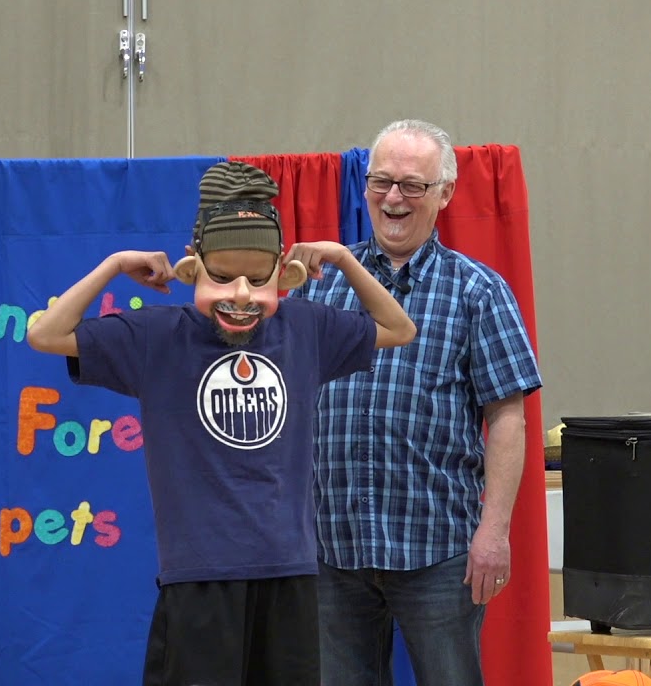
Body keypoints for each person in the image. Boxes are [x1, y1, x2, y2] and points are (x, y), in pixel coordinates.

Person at [26, 160, 416, 686]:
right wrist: (115, 263)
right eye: (223, 274)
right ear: (193, 265)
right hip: (200, 576)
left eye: (258, 278)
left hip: (290, 573)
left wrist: (345, 258)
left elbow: (399, 327)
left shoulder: (306, 328)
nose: (239, 293)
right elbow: (47, 335)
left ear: (284, 272)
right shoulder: (157, 338)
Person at [290, 119, 542, 686]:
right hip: (334, 546)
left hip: (438, 550)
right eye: (381, 181)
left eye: (412, 185)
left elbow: (506, 418)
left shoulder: (478, 290)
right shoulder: (322, 285)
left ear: (445, 194)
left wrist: (494, 532)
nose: (393, 197)